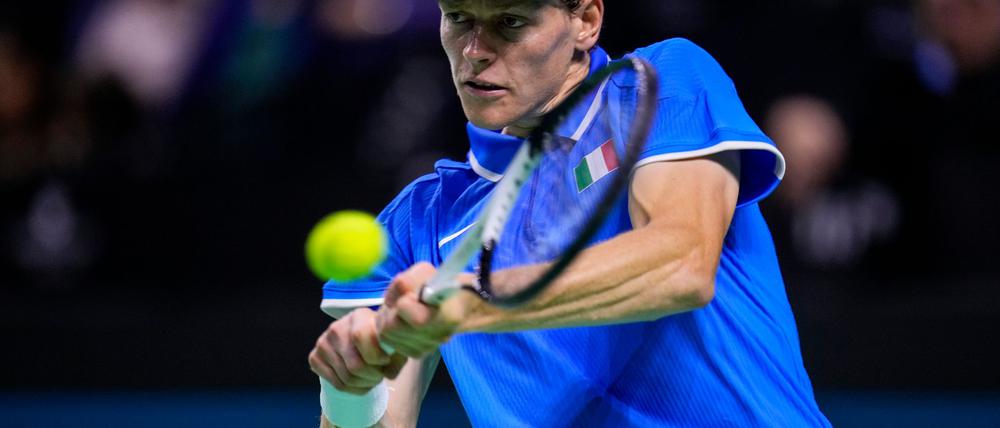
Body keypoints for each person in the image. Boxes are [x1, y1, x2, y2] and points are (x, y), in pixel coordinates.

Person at [308, 1, 831, 426]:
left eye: (509, 22)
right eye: (459, 18)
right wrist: (350, 391)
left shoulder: (658, 82)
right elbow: (377, 415)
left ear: (585, 21)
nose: (474, 51)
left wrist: (473, 303)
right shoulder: (415, 222)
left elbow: (680, 265)